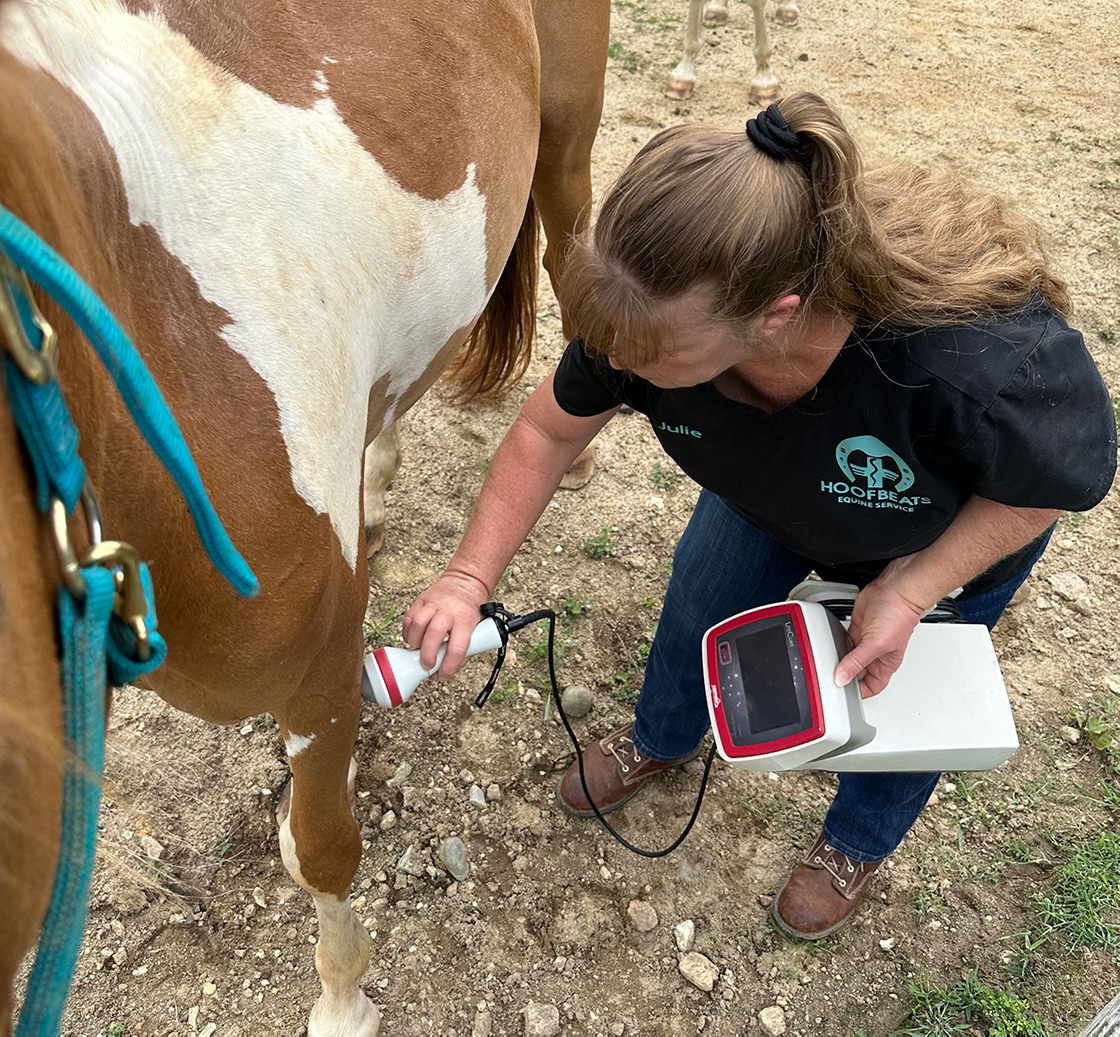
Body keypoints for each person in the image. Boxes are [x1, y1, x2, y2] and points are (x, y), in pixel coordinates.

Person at [402, 93, 1117, 940]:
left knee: (908, 701)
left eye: (655, 354)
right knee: (701, 607)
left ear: (776, 314)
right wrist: (466, 576)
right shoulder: (641, 316)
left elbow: (1050, 488)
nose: (619, 366)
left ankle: (856, 840)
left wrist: (915, 589)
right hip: (767, 500)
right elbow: (548, 428)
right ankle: (661, 738)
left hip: (939, 541)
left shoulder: (976, 361)